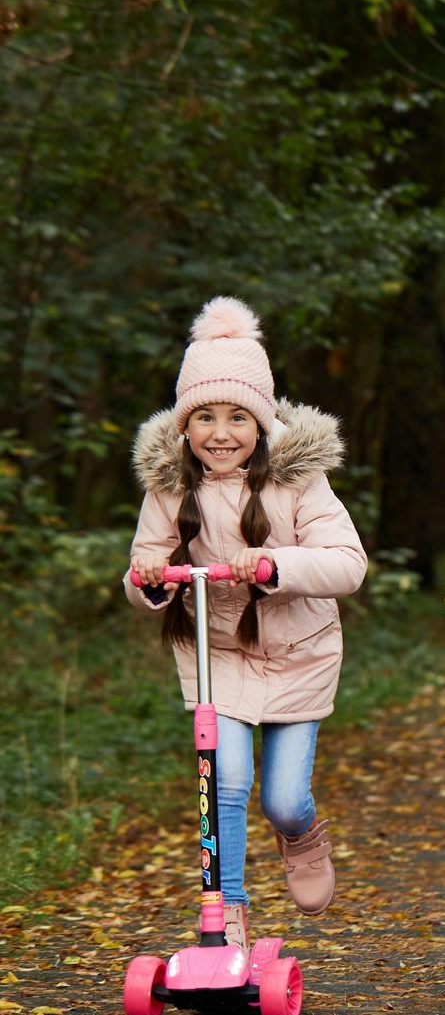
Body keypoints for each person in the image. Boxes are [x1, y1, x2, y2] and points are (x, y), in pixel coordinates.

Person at [123, 296, 367, 952]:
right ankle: (224, 912)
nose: (220, 432)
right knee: (224, 779)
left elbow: (347, 564)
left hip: (297, 652)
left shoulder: (299, 481)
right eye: (204, 416)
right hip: (219, 653)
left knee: (281, 797)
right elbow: (144, 562)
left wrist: (272, 564)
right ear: (185, 425)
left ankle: (300, 832)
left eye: (237, 415)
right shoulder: (170, 486)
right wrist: (146, 577)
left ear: (261, 422)